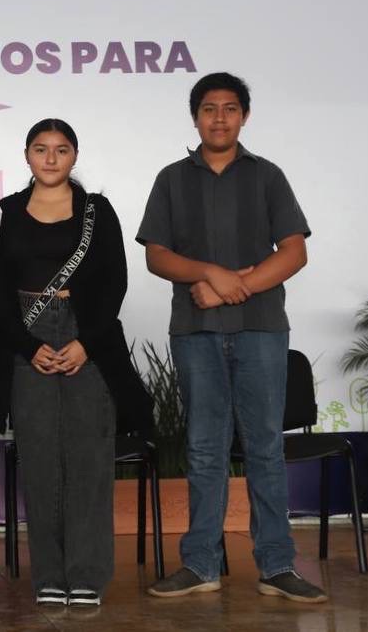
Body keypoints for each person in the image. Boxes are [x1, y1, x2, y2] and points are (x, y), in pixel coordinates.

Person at [139, 72, 326, 603]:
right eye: (208, 109)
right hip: (195, 334)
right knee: (204, 449)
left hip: (261, 331)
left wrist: (227, 289)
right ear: (194, 116)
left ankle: (277, 565)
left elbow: (294, 251)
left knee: (265, 447)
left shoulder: (268, 176)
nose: (219, 118)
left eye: (229, 108)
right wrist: (210, 273)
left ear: (244, 116)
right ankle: (201, 564)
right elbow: (157, 256)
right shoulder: (172, 179)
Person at [0, 118, 152, 607]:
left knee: (90, 461)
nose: (50, 158)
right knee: (40, 463)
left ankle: (87, 575)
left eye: (61, 149)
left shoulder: (97, 211)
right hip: (27, 339)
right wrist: (27, 346)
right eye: (40, 148)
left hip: (87, 337)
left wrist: (86, 342)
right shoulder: (6, 210)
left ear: (75, 155)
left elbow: (115, 281)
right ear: (26, 155)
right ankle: (49, 575)